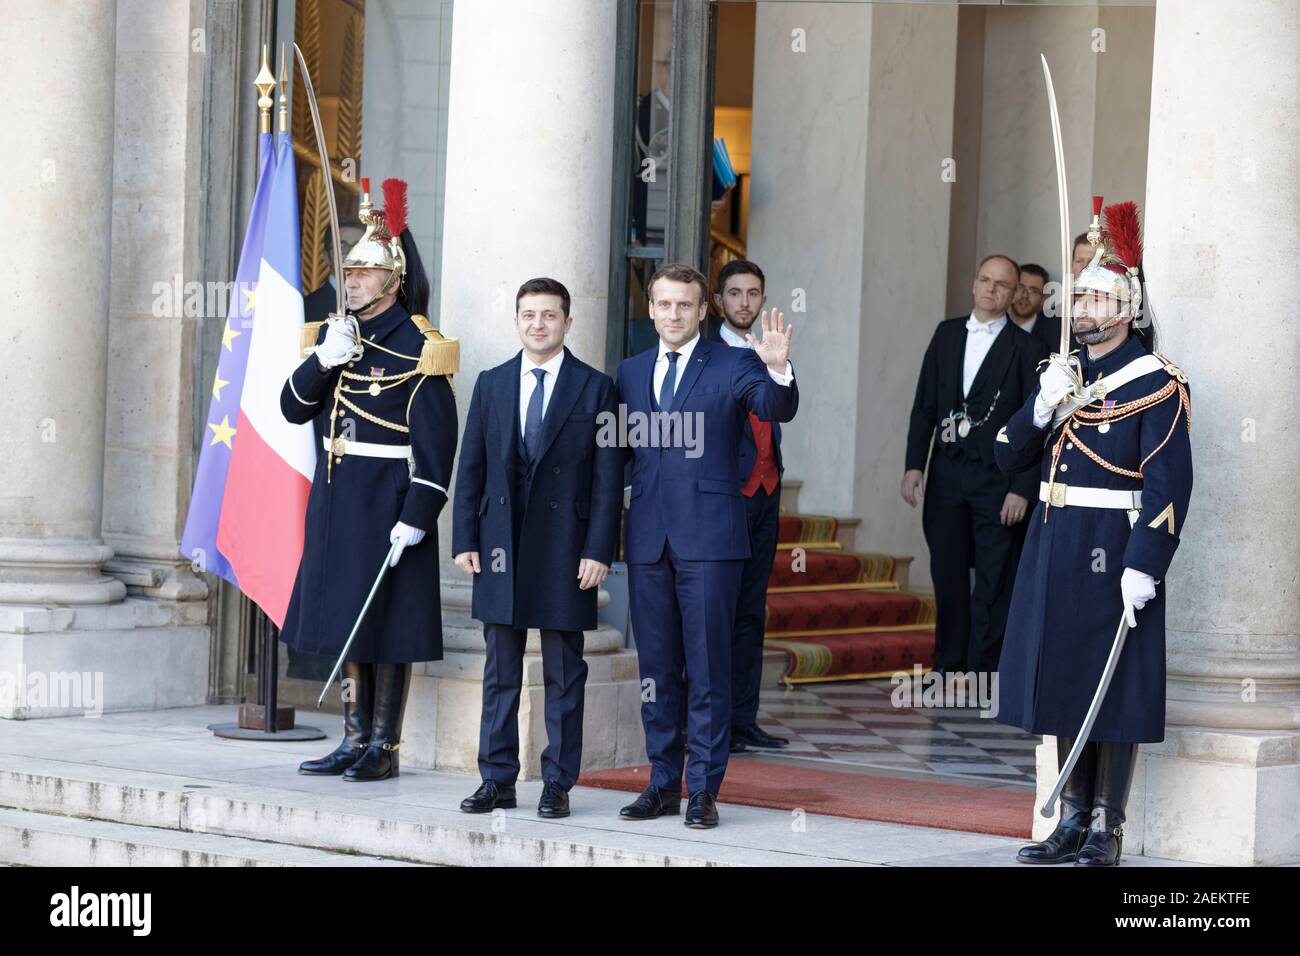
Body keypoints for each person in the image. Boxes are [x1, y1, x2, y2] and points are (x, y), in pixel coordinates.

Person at [995, 200, 1192, 866]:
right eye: (1079, 294)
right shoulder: (1064, 373)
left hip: (1115, 550)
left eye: (1098, 296)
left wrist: (1147, 563)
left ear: (1128, 309)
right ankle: (1070, 819)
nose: (1082, 305)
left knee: (1114, 689)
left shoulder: (1156, 382)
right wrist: (1042, 407)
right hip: (1055, 545)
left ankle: (1106, 829)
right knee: (1063, 683)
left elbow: (1169, 487)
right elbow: (1006, 455)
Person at [280, 177, 458, 782]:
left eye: (363, 272)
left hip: (388, 505)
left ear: (392, 281)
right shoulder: (337, 338)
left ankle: (385, 745)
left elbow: (436, 452)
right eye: (348, 272)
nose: (350, 280)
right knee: (348, 622)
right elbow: (292, 408)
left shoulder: (420, 349)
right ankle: (352, 737)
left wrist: (417, 514)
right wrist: (323, 359)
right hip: (337, 500)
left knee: (386, 625)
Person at [615, 262, 798, 828]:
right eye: (664, 305)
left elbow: (774, 408)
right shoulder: (628, 371)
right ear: (651, 309)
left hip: (713, 541)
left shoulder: (736, 362)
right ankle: (661, 782)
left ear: (702, 310)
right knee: (657, 668)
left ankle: (704, 789)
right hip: (648, 541)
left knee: (709, 666)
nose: (674, 314)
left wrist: (778, 370)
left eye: (685, 306)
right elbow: (617, 459)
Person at [451, 277, 623, 819]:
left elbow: (608, 479)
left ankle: (557, 782)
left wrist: (600, 550)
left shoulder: (597, 388)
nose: (539, 324)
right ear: (517, 320)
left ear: (568, 323)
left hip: (567, 552)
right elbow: (471, 466)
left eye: (550, 315)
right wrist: (464, 540)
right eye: (529, 314)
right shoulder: (492, 383)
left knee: (564, 671)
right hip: (500, 545)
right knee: (500, 669)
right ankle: (496, 779)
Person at [902, 254, 1047, 674]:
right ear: (973, 284)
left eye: (1001, 284)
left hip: (998, 479)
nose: (990, 288)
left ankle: (986, 671)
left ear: (1014, 293)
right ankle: (948, 667)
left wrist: (1022, 487)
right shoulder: (946, 334)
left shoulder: (1029, 348)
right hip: (946, 473)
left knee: (993, 578)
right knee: (947, 573)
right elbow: (924, 405)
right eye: (984, 279)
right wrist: (915, 466)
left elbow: (1036, 423)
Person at [706, 259, 789, 752]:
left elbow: (781, 409)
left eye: (753, 293)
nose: (744, 302)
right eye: (734, 293)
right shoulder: (707, 352)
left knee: (751, 611)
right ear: (718, 301)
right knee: (718, 610)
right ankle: (713, 723)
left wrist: (777, 366)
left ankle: (743, 719)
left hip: (765, 491)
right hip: (725, 495)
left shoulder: (769, 349)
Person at [1009, 262, 1064, 354]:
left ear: (1043, 299)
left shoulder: (1056, 333)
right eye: (1020, 287)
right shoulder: (996, 322)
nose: (1025, 295)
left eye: (1034, 291)